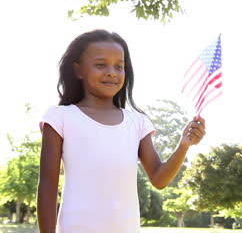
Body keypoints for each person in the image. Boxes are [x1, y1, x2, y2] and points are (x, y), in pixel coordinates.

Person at [37, 29, 206, 233]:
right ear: (78, 70)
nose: (112, 72)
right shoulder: (60, 117)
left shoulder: (137, 122)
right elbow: (47, 186)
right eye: (101, 65)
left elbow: (159, 179)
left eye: (119, 66)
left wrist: (183, 145)